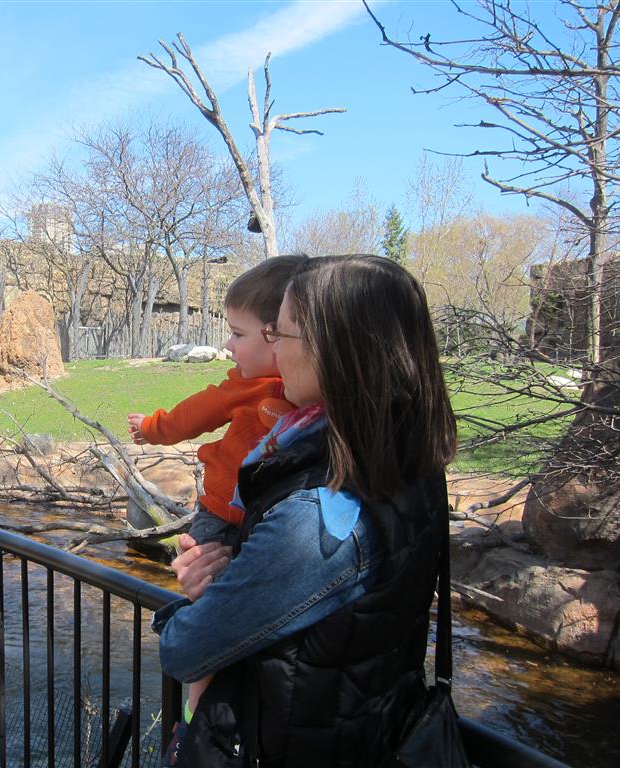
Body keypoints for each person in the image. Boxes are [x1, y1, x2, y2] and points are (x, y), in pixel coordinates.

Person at [153, 255, 458, 767]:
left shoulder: (320, 517)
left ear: (334, 349)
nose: (272, 348)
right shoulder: (412, 462)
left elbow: (185, 650)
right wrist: (242, 574)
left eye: (281, 333)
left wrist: (204, 596)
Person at [127, 255, 304, 741]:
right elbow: (196, 412)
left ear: (278, 334)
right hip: (221, 518)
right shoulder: (250, 386)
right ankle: (195, 719)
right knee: (211, 618)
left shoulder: (306, 397)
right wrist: (153, 427)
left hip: (255, 524)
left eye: (237, 334)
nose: (227, 345)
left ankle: (210, 719)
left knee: (235, 621)